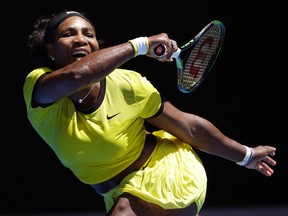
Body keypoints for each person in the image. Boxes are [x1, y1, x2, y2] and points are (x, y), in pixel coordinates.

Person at [23, 10, 277, 216]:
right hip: (118, 191)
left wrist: (247, 155)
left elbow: (190, 128)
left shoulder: (128, 84)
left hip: (169, 170)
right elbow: (77, 75)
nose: (81, 39)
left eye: (88, 34)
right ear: (50, 51)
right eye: (69, 34)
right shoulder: (39, 88)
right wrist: (140, 45)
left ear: (97, 46)